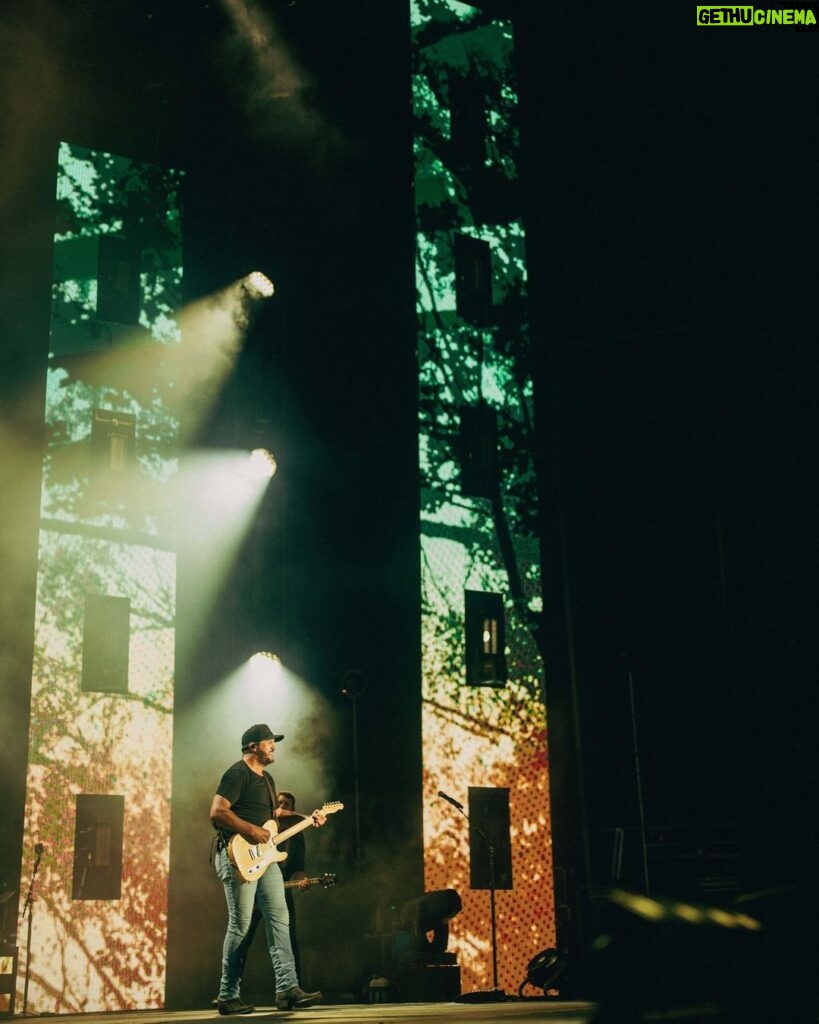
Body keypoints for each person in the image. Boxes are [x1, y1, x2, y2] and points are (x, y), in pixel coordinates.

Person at [210, 724, 325, 1016]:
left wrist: (305, 818)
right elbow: (218, 811)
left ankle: (288, 987)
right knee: (240, 924)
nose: (274, 745)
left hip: (266, 859)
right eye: (269, 741)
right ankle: (227, 995)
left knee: (279, 919)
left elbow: (273, 815)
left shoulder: (268, 779)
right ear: (252, 746)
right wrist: (251, 830)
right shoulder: (237, 773)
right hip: (237, 856)